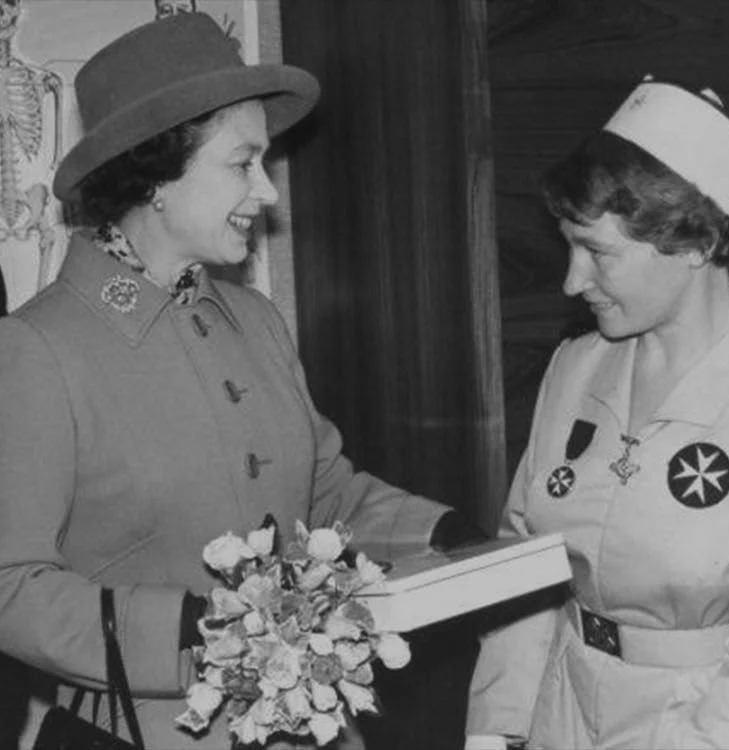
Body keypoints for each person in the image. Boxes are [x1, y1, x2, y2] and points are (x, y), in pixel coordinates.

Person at [0, 13, 481, 749]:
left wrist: (442, 533)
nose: (267, 192)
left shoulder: (254, 318)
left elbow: (324, 496)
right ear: (156, 171)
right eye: (242, 162)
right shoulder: (38, 348)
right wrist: (190, 627)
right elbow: (12, 589)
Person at [464, 78, 729, 750]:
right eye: (569, 247)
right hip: (561, 712)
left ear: (695, 245)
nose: (572, 281)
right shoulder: (573, 367)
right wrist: (498, 728)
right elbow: (524, 563)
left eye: (600, 253)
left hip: (701, 725)